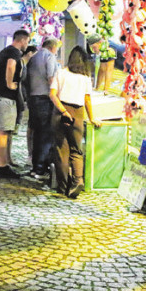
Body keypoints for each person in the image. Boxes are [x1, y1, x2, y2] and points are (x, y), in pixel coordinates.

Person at [49, 45, 101, 199]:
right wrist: (92, 118)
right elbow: (87, 100)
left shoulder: (61, 73)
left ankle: (63, 186)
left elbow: (52, 94)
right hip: (78, 113)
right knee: (76, 150)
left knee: (61, 150)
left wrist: (63, 111)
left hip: (60, 113)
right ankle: (78, 181)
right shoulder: (85, 78)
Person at [0, 29, 30, 179]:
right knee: (4, 131)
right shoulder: (15, 53)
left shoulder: (4, 51)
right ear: (22, 40)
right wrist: (9, 83)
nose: (27, 45)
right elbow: (11, 65)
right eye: (27, 42)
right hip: (6, 97)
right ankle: (3, 166)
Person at [25, 37, 60, 181]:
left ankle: (35, 167)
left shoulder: (34, 57)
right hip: (44, 99)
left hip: (33, 98)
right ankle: (41, 168)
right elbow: (51, 79)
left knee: (37, 134)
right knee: (45, 134)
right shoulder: (49, 57)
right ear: (53, 47)